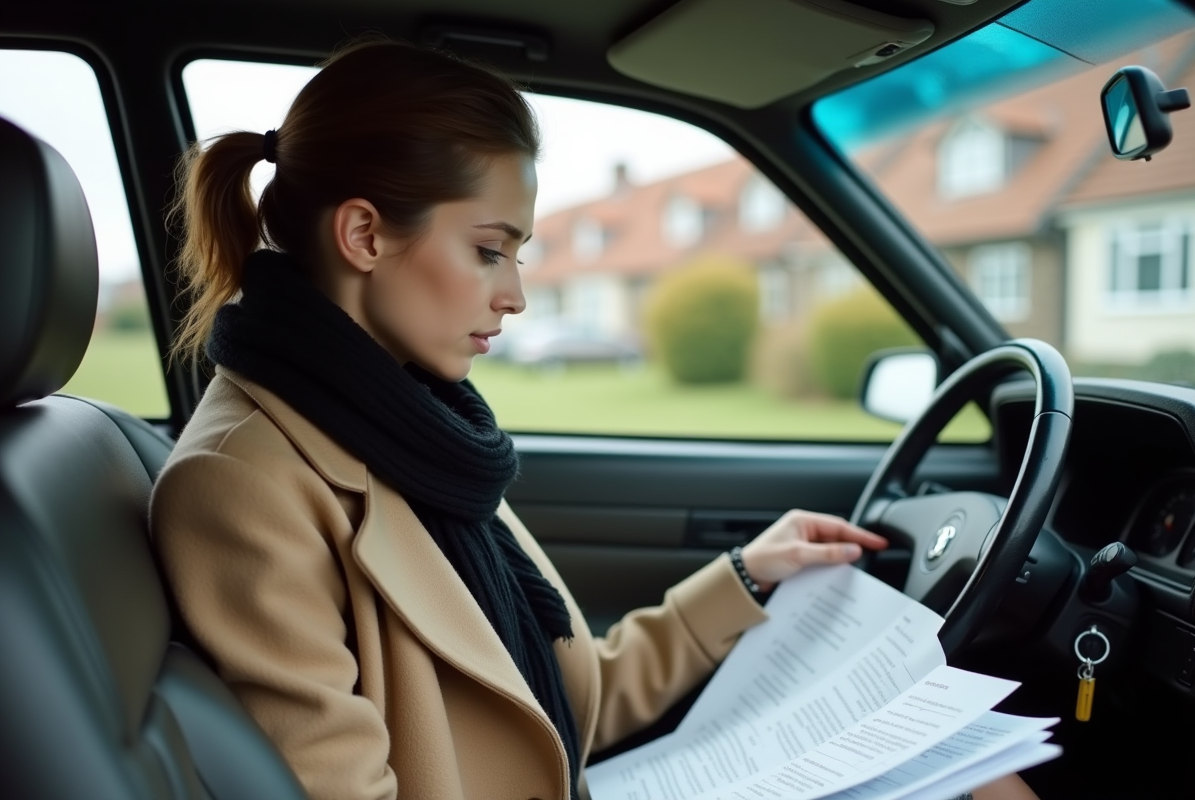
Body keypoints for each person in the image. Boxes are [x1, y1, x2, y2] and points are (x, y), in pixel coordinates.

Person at [150, 39, 1036, 800]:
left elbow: (565, 705)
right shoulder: (241, 484)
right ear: (366, 236)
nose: (517, 295)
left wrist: (747, 576)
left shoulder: (416, 424)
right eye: (490, 250)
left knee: (965, 770)